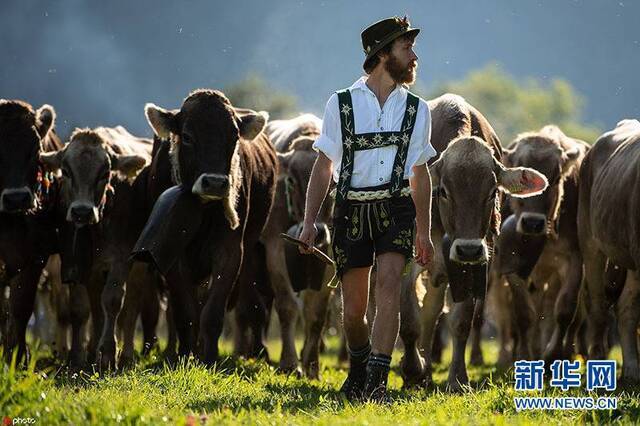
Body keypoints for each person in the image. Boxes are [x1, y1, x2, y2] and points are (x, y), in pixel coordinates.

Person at [298, 15, 437, 403]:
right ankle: (359, 368)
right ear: (382, 55)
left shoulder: (417, 109)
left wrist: (424, 231)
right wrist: (309, 223)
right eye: (406, 48)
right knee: (355, 308)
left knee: (390, 287)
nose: (414, 56)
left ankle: (377, 381)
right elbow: (324, 165)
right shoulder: (339, 104)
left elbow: (420, 173)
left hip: (396, 208)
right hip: (351, 209)